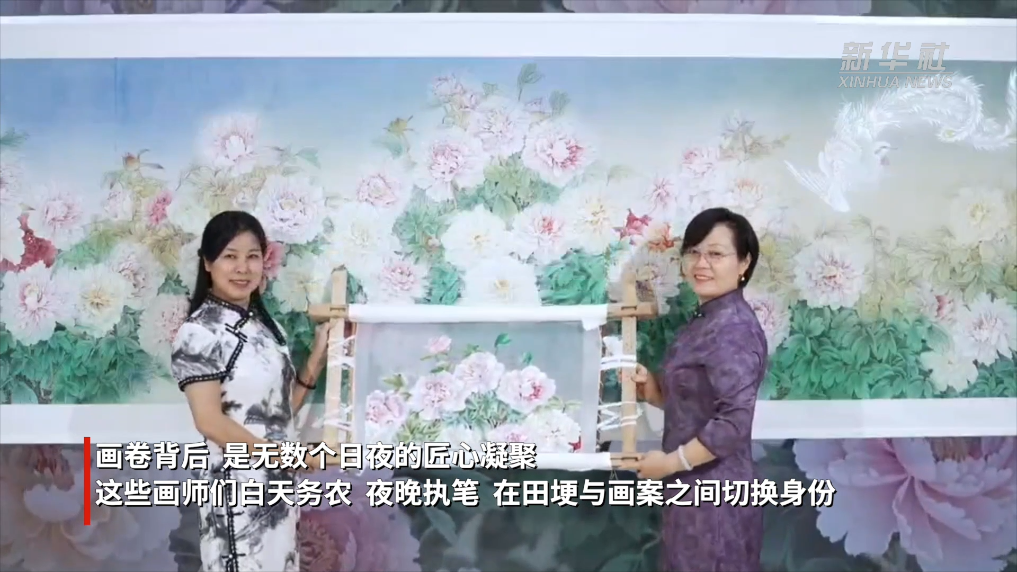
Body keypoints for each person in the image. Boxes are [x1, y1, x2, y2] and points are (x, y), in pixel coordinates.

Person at [171, 211, 329, 572]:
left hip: (277, 491)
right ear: (207, 263)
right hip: (237, 493)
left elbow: (275, 413)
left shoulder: (265, 329)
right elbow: (209, 421)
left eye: (252, 256)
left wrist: (315, 361)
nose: (243, 268)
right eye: (230, 256)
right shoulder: (199, 332)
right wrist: (285, 457)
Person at [622, 207, 767, 572]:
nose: (701, 263)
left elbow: (733, 423)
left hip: (715, 496)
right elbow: (698, 403)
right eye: (694, 252)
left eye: (716, 254)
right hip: (690, 490)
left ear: (744, 263)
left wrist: (670, 463)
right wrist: (654, 392)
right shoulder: (707, 319)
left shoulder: (733, 328)